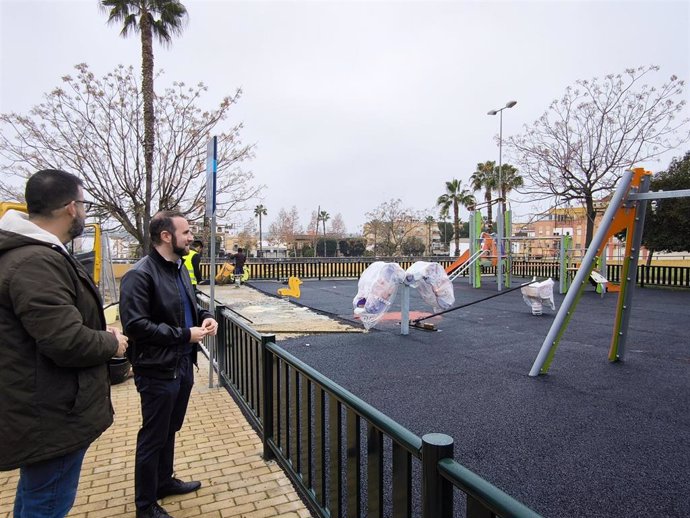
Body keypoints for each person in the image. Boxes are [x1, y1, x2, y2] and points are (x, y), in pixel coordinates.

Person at [0, 169, 128, 518]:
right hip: (51, 414)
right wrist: (110, 341)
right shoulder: (34, 261)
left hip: (44, 408)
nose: (85, 213)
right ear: (71, 207)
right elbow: (66, 340)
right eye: (84, 204)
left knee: (37, 497)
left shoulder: (32, 255)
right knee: (47, 504)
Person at [119, 211, 218, 518]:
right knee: (153, 436)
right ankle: (145, 506)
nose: (192, 237)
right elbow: (135, 325)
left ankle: (164, 481)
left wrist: (204, 318)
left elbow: (187, 307)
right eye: (186, 232)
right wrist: (183, 334)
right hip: (158, 369)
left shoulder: (178, 269)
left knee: (169, 429)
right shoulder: (141, 274)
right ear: (166, 236)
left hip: (181, 365)